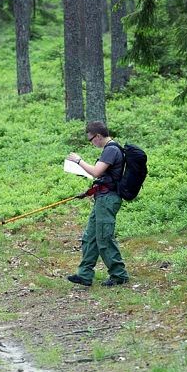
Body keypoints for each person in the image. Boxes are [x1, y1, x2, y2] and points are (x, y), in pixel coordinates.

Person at [66, 120, 129, 287]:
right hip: (102, 197)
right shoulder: (110, 149)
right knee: (90, 237)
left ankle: (119, 275)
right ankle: (85, 275)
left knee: (104, 237)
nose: (91, 142)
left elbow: (96, 172)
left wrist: (78, 161)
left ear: (98, 136)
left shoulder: (111, 150)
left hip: (108, 199)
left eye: (91, 139)